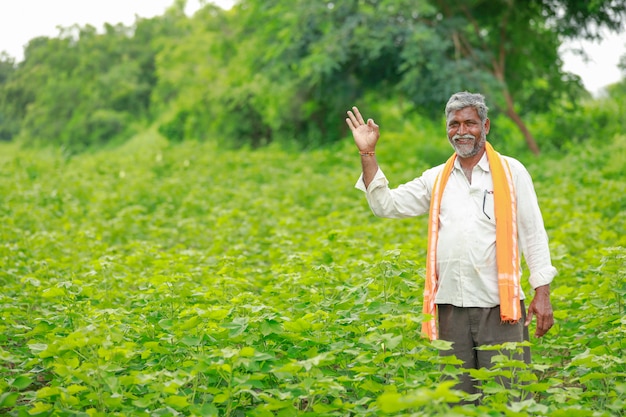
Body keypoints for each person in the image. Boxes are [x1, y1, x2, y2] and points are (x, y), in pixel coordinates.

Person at [345, 92, 557, 399]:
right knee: (457, 400)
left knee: (510, 398)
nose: (461, 131)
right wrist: (368, 155)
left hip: (501, 308)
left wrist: (543, 293)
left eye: (470, 122)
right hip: (450, 310)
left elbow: (533, 233)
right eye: (454, 124)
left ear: (485, 125)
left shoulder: (512, 172)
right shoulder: (437, 178)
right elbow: (385, 205)